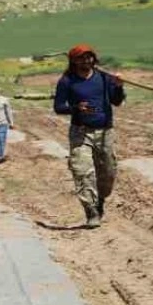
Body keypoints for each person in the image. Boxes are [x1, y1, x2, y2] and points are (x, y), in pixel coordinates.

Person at [53, 44, 125, 229]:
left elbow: (116, 101)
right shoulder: (67, 81)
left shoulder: (104, 78)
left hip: (105, 132)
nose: (86, 61)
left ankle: (100, 201)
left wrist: (118, 87)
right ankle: (91, 211)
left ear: (93, 59)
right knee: (82, 171)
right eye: (81, 58)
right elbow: (59, 107)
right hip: (80, 132)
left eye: (88, 57)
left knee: (107, 173)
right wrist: (76, 108)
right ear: (73, 61)